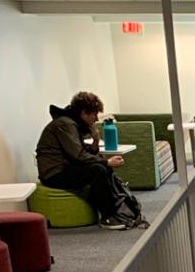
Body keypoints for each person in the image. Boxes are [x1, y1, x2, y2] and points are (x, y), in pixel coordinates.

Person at [35, 92, 146, 230]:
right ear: (84, 112)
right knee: (98, 170)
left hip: (64, 168)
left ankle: (117, 212)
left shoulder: (71, 123)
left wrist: (95, 142)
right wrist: (107, 162)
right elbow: (79, 156)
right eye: (94, 114)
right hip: (54, 174)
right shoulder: (65, 124)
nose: (96, 118)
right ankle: (108, 217)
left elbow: (78, 153)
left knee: (101, 168)